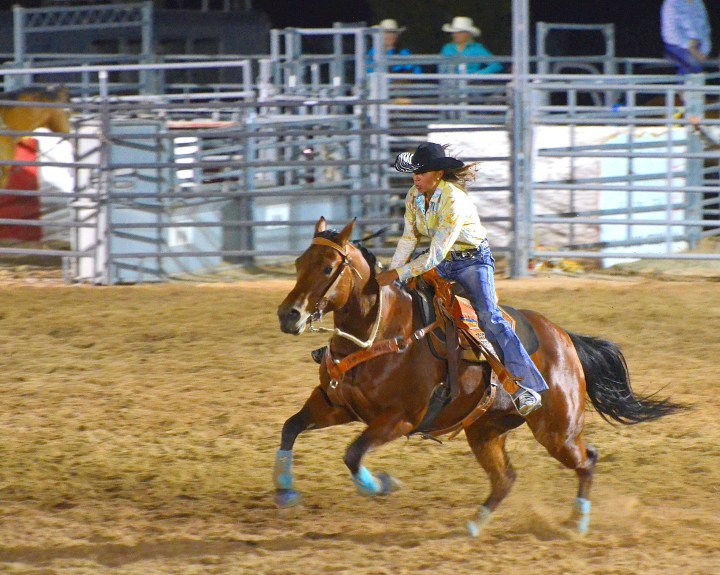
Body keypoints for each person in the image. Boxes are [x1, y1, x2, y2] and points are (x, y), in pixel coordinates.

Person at [375, 142, 548, 416]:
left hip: (473, 262)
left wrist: (395, 273)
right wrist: (393, 276)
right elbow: (409, 238)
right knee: (401, 298)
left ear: (438, 175)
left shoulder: (454, 200)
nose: (416, 177)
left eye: (422, 172)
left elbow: (435, 254)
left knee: (489, 317)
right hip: (443, 261)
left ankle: (526, 387)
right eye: (414, 173)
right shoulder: (414, 197)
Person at [661, 0, 711, 75]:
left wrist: (704, 51)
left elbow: (705, 29)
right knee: (694, 67)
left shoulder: (698, 3)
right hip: (677, 46)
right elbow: (670, 32)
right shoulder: (671, 3)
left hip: (697, 47)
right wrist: (689, 46)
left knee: (694, 67)